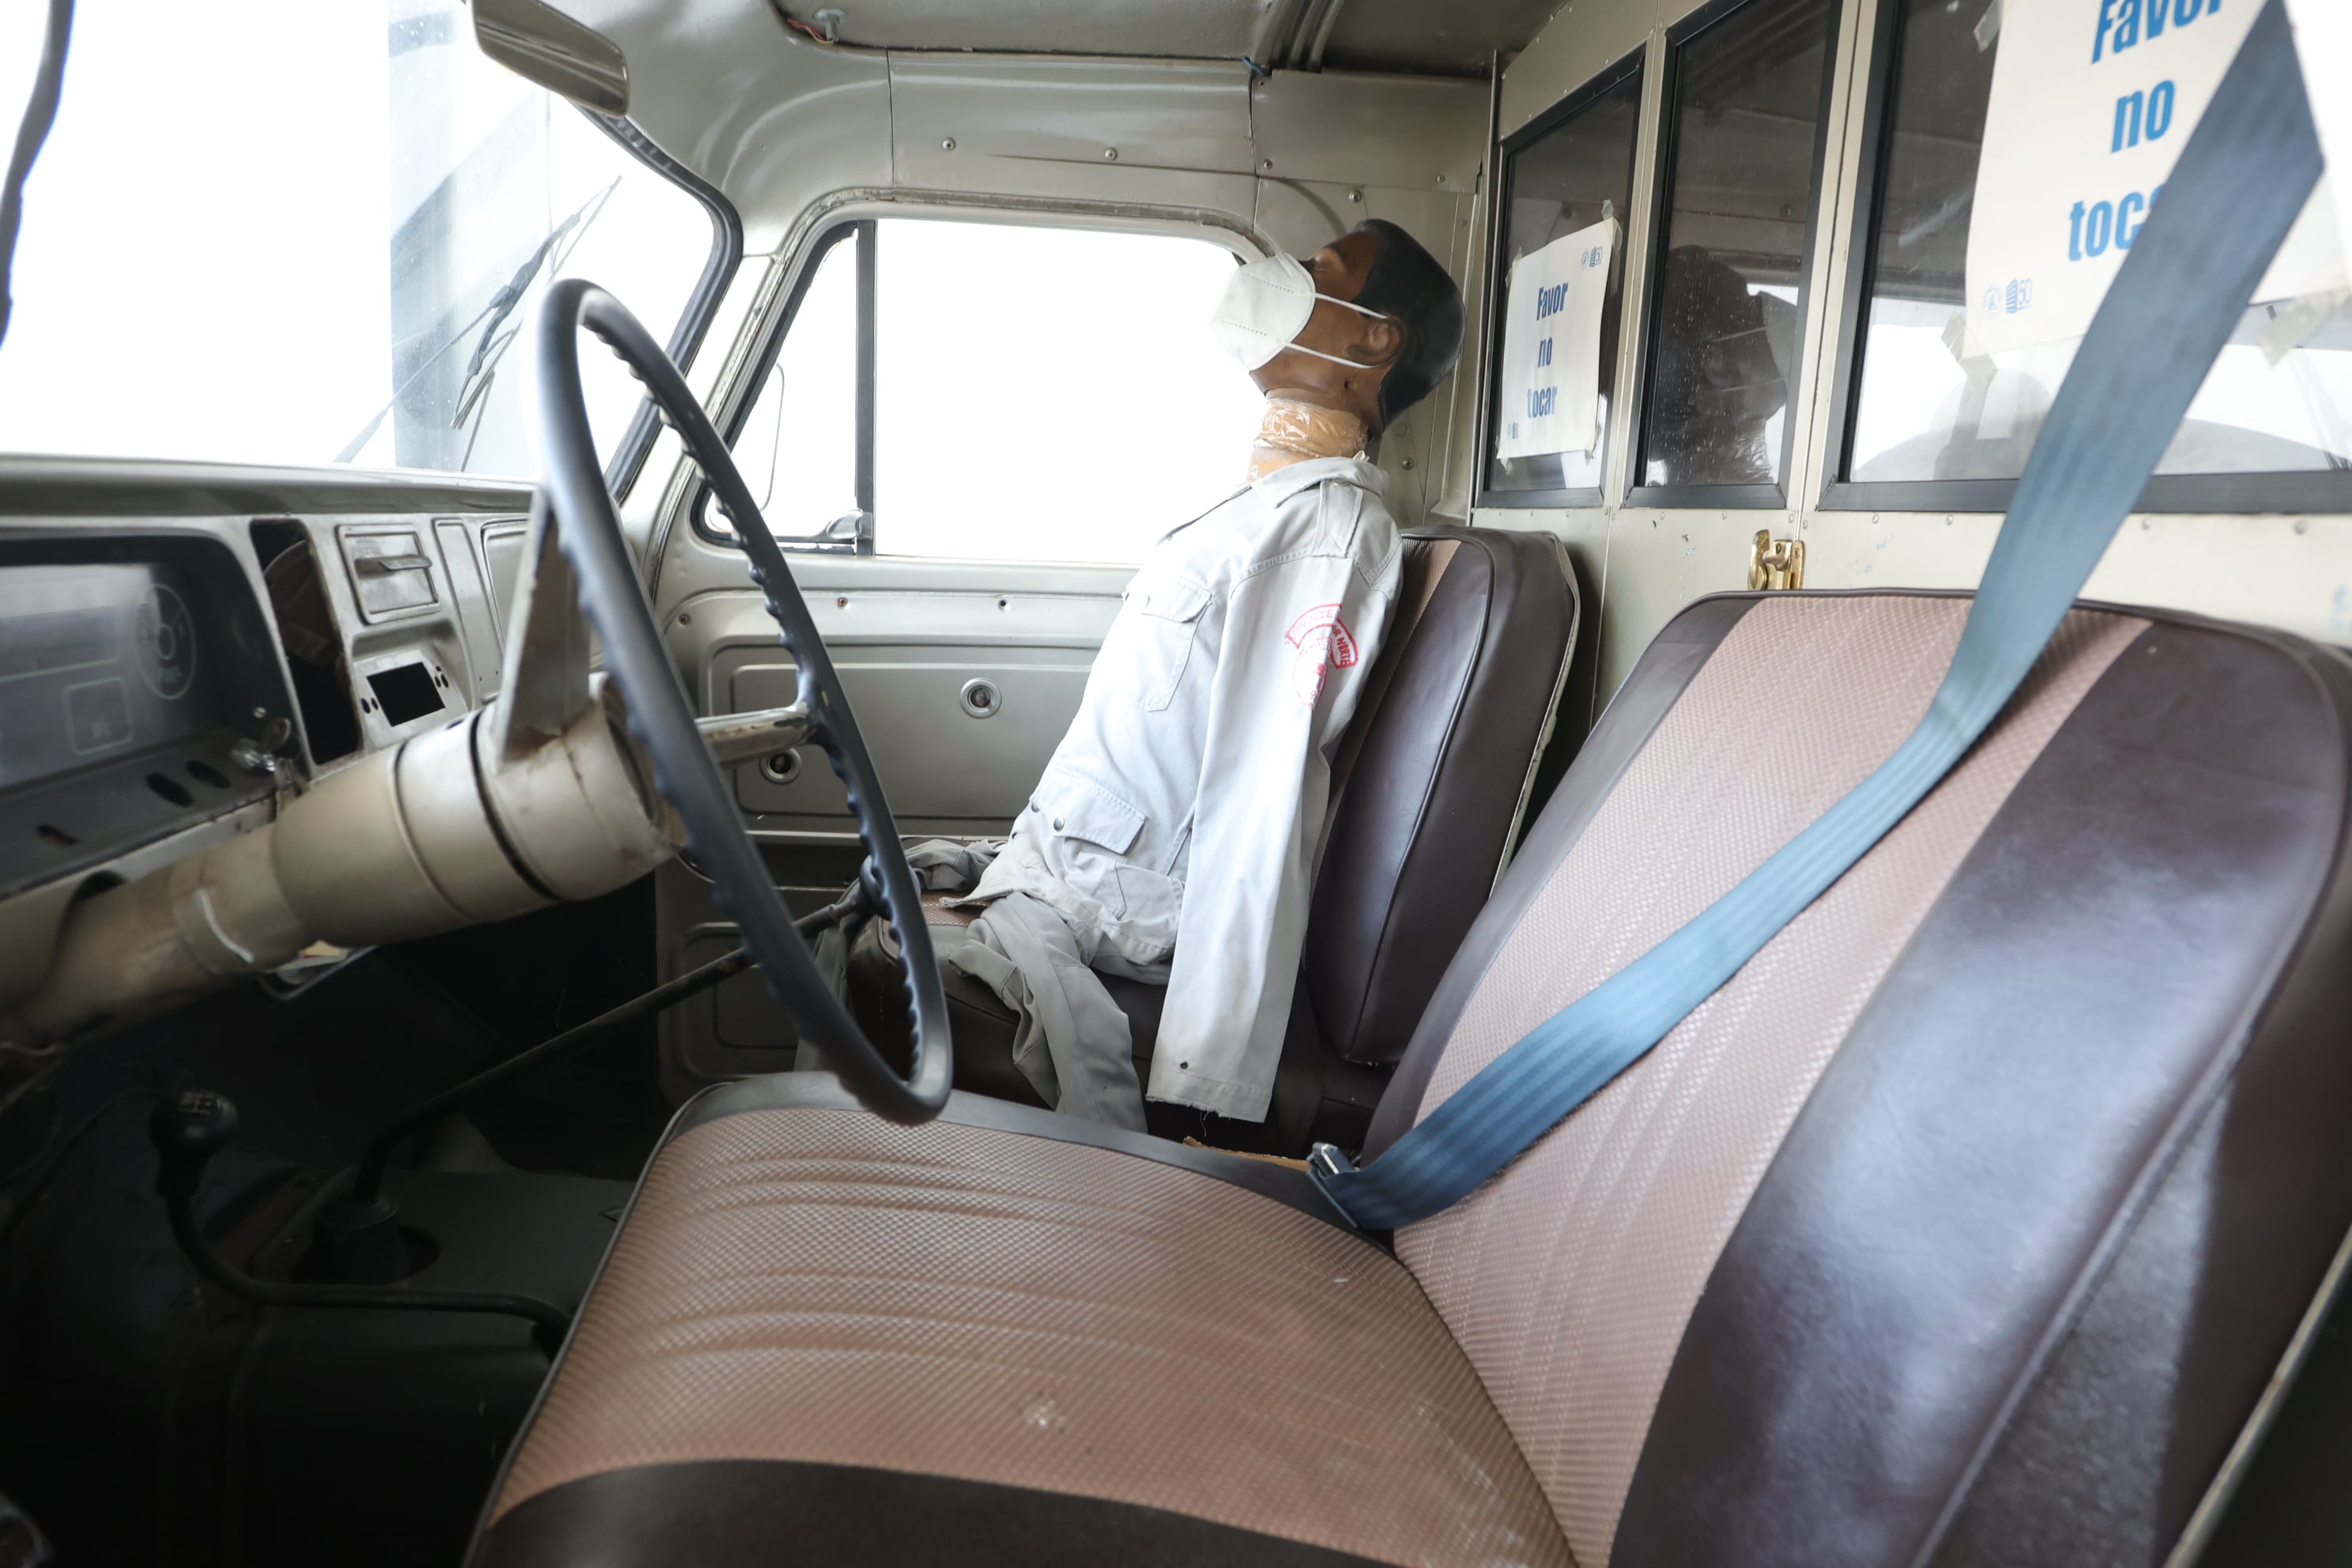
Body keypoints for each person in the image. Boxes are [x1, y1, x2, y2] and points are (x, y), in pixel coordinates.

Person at [861, 220, 1464, 1131]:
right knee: (859, 920)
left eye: (1318, 270)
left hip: (1126, 907)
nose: (1286, 275)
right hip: (1069, 865)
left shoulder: (1326, 532)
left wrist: (1205, 1081)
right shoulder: (1258, 509)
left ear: (1376, 339)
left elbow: (1262, 789)